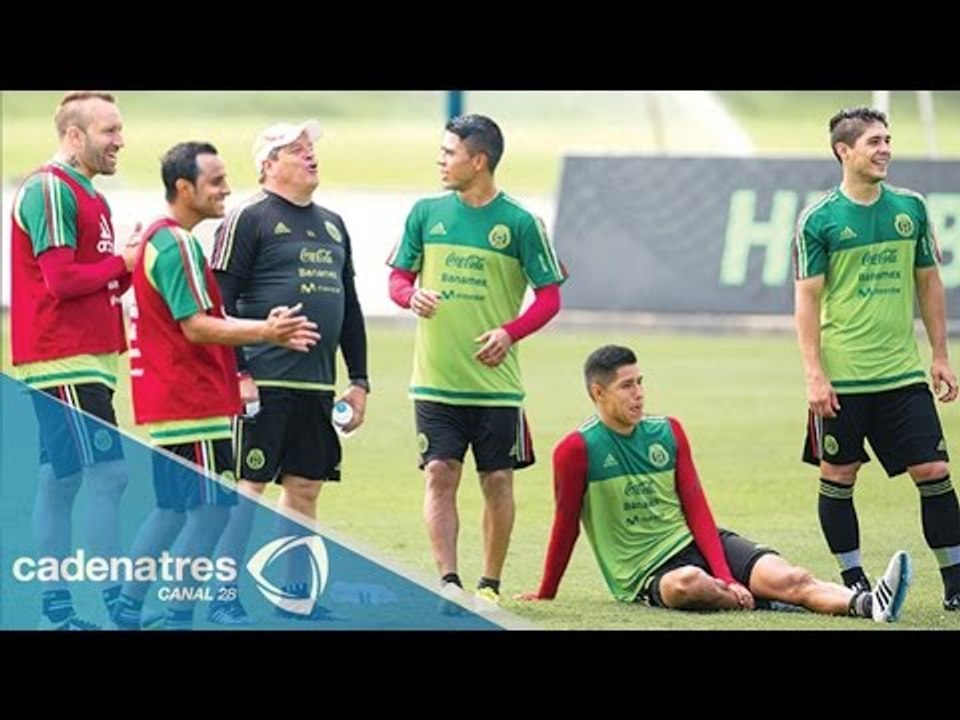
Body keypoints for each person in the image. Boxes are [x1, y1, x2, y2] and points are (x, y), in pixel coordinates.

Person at [520, 345, 912, 623]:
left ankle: (867, 605)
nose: (639, 394)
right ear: (597, 392)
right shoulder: (575, 449)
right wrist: (547, 590)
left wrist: (725, 574)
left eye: (640, 382)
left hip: (698, 543)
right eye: (627, 386)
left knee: (791, 578)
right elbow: (566, 523)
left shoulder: (668, 431)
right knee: (685, 586)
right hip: (647, 573)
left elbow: (696, 507)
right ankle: (761, 602)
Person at [110, 142, 319, 630]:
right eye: (216, 181)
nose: (227, 189)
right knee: (209, 514)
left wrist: (253, 334)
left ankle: (128, 605)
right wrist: (265, 331)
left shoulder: (161, 241)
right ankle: (176, 610)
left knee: (171, 512)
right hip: (190, 400)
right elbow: (197, 326)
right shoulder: (177, 244)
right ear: (184, 188)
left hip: (171, 399)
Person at [386, 114, 566, 605]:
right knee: (439, 473)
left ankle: (489, 583)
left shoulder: (521, 223)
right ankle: (448, 582)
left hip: (495, 385)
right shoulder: (425, 213)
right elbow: (398, 278)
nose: (441, 161)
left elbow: (550, 297)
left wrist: (509, 333)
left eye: (449, 153)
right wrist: (410, 297)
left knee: (498, 479)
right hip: (434, 380)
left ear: (479, 160)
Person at [794, 106, 960, 611]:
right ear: (845, 151)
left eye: (888, 139)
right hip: (843, 379)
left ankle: (955, 582)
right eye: (873, 142)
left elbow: (929, 283)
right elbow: (807, 300)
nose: (885, 149)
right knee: (839, 477)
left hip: (901, 374)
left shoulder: (911, 207)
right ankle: (854, 580)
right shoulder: (818, 220)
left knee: (933, 471)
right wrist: (815, 375)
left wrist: (939, 355)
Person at [207, 120, 369, 624]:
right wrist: (238, 372)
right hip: (263, 380)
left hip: (316, 384)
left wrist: (359, 381)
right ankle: (221, 596)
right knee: (247, 487)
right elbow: (218, 303)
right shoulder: (247, 219)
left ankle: (293, 597)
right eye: (295, 150)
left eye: (310, 148)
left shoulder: (333, 222)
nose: (309, 155)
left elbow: (351, 307)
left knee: (304, 489)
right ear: (268, 165)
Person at [9, 91, 140, 629]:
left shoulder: (90, 196)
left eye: (119, 129)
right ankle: (116, 606)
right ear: (74, 135)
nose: (120, 141)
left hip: (85, 360)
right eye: (109, 130)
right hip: (63, 359)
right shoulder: (49, 189)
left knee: (59, 483)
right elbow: (62, 280)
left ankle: (55, 613)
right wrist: (120, 262)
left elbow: (99, 279)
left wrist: (124, 265)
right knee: (109, 476)